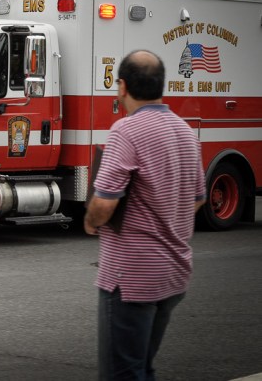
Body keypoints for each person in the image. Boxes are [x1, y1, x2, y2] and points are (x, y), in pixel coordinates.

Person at [84, 50, 206, 380]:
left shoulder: (126, 131)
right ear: (161, 86)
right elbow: (197, 198)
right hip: (174, 273)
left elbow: (105, 203)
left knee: (123, 374)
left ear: (121, 86)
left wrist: (91, 221)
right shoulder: (185, 131)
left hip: (131, 277)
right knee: (143, 367)